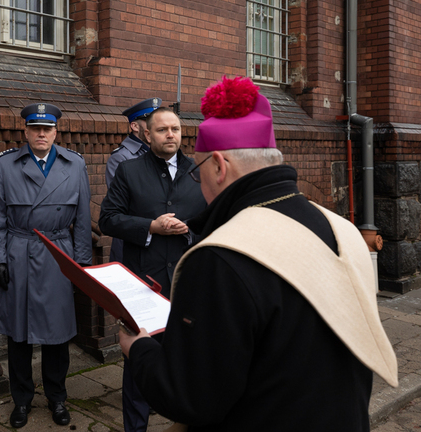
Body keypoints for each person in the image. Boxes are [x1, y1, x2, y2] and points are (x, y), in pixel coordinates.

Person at [119, 76, 397, 431]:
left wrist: (140, 350)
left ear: (219, 166)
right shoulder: (340, 228)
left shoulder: (220, 258)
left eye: (198, 171)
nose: (197, 183)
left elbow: (191, 398)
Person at [99, 106, 206, 432]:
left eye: (175, 129)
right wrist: (150, 227)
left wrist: (188, 232)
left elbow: (214, 223)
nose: (170, 134)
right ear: (147, 134)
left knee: (189, 358)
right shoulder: (129, 171)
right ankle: (136, 425)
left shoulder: (199, 171)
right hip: (144, 283)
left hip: (188, 282)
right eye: (162, 130)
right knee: (138, 360)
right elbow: (108, 219)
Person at [0, 102, 92, 428]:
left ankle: (57, 398)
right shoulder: (5, 165)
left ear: (56, 131)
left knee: (57, 336)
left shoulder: (74, 165)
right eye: (35, 128)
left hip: (59, 255)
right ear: (25, 131)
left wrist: (82, 264)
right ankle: (22, 400)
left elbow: (84, 220)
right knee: (19, 336)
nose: (41, 133)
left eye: (47, 128)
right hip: (19, 253)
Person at [104, 98, 159, 263]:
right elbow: (124, 205)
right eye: (150, 121)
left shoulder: (160, 152)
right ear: (135, 126)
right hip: (132, 241)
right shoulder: (121, 157)